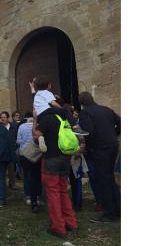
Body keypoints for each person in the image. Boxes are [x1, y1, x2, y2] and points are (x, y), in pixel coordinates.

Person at [32, 109, 78, 238]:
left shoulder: (46, 119)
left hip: (51, 159)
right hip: (65, 157)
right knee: (63, 190)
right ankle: (71, 223)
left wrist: (35, 120)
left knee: (53, 193)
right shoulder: (63, 118)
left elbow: (36, 138)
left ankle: (58, 227)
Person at [78, 91, 121, 223]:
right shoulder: (106, 109)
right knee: (110, 178)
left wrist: (87, 144)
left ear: (82, 103)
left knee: (104, 180)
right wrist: (114, 135)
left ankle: (109, 213)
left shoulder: (85, 113)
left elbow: (88, 132)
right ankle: (118, 208)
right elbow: (120, 122)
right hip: (113, 147)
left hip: (99, 149)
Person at [17, 112, 42, 212]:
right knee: (37, 176)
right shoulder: (39, 125)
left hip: (25, 154)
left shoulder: (21, 126)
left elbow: (18, 141)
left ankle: (28, 196)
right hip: (37, 154)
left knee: (27, 176)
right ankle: (38, 196)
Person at [0, 111, 19, 190]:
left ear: (8, 118)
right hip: (2, 152)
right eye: (2, 117)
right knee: (2, 170)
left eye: (4, 117)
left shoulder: (13, 126)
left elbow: (17, 136)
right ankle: (3, 186)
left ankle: (12, 184)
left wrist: (16, 146)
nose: (3, 119)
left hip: (11, 151)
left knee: (12, 169)